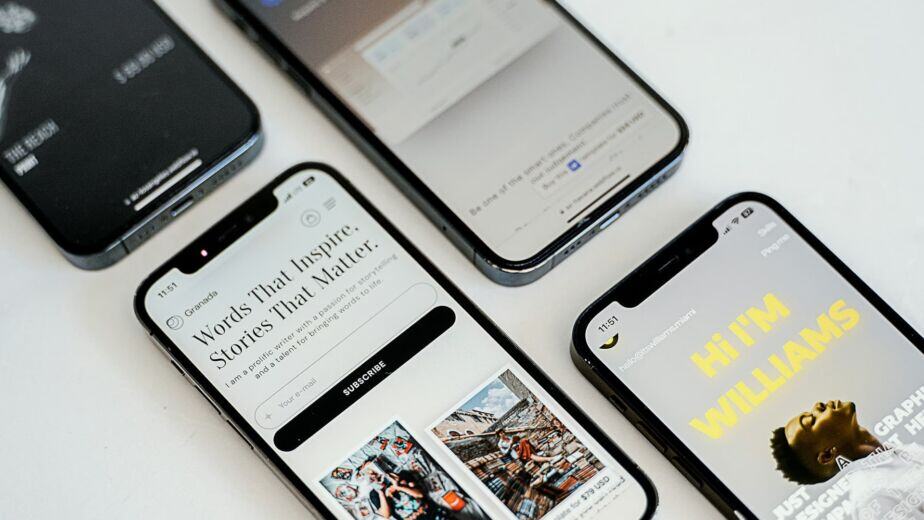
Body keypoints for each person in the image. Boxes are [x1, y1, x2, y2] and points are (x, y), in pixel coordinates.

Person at [770, 400, 924, 519]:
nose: (818, 405)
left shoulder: (900, 451)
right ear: (827, 455)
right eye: (812, 420)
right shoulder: (873, 499)